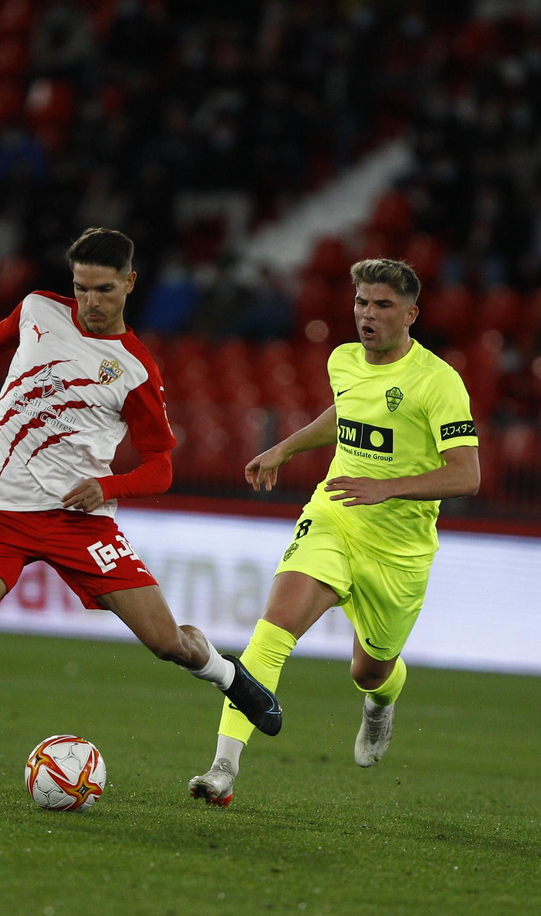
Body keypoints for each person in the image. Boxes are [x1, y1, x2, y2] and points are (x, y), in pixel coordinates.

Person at [0, 227, 280, 802]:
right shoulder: (39, 309)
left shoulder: (135, 369)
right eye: (83, 288)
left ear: (130, 284)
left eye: (104, 290)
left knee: (167, 642)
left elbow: (161, 467)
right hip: (1, 507)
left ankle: (228, 675)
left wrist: (107, 485)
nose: (91, 302)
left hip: (80, 520)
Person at [188, 258, 481, 806]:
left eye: (382, 306)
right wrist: (287, 446)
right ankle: (222, 769)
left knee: (369, 671)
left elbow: (467, 474)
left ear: (411, 314)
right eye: (361, 303)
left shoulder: (439, 382)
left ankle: (381, 701)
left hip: (399, 550)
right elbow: (347, 412)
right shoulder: (344, 360)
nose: (367, 315)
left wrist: (388, 488)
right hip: (335, 516)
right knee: (271, 633)